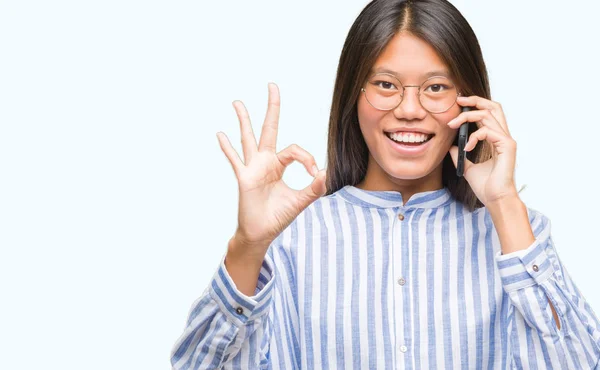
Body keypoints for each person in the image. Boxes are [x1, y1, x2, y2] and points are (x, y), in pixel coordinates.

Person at [170, 0, 600, 368]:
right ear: (353, 95)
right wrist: (248, 245)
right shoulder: (288, 240)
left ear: (469, 102)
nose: (409, 109)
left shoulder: (519, 237)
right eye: (385, 85)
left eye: (435, 87)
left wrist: (504, 203)